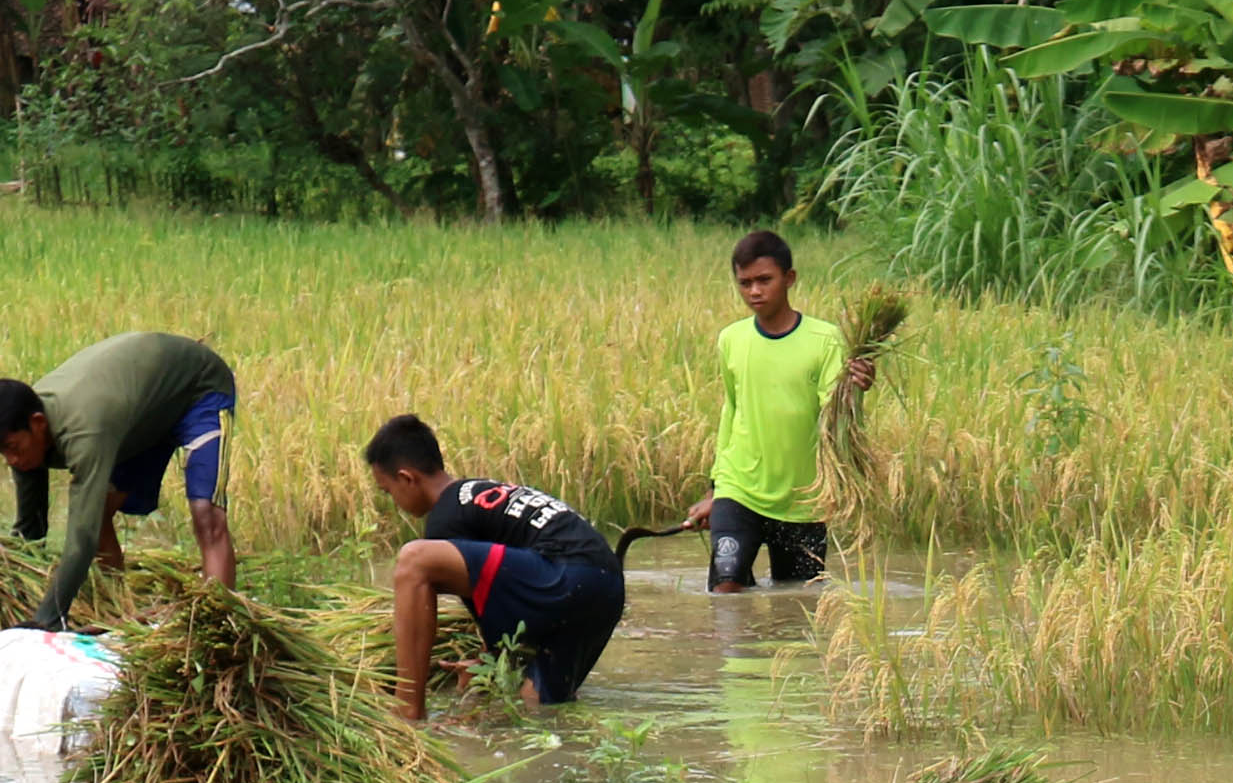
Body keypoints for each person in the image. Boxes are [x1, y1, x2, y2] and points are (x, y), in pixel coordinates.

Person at [0, 332, 239, 631]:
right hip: (142, 413)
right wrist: (9, 590)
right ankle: (116, 613)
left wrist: (48, 618)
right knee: (99, 514)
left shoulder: (84, 431)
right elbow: (31, 529)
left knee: (207, 514)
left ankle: (215, 628)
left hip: (198, 389)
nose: (11, 461)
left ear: (38, 424)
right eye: (2, 452)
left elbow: (81, 538)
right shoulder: (22, 431)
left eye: (13, 448)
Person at [361, 416, 627, 719]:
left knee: (414, 561)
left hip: (566, 572)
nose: (393, 502)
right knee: (536, 705)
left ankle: (407, 709)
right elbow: (505, 592)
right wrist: (487, 663)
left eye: (388, 491)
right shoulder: (478, 492)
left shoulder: (444, 519)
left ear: (407, 478)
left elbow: (488, 609)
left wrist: (489, 658)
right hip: (607, 586)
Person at [681, 229, 876, 591]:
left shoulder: (826, 340)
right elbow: (731, 413)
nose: (754, 291)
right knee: (726, 592)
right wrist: (716, 491)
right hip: (740, 489)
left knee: (799, 601)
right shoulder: (731, 339)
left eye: (764, 280)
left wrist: (855, 390)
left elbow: (835, 418)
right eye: (745, 283)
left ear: (789, 278)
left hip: (804, 499)